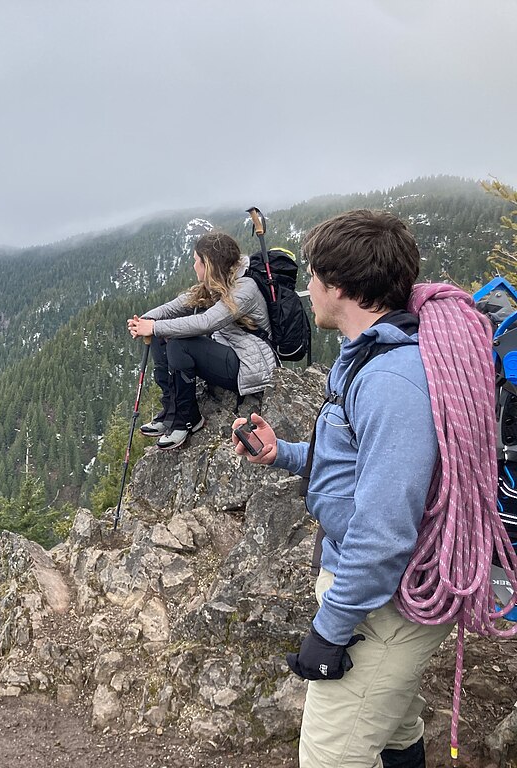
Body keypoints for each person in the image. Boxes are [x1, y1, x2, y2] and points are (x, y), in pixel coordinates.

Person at [231, 209, 450, 768]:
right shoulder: (372, 356)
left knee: (329, 758)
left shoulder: (390, 380)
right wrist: (283, 453)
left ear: (341, 288)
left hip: (384, 607)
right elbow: (364, 467)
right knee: (395, 728)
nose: (307, 289)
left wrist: (330, 630)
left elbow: (383, 533)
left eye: (313, 277)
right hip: (384, 596)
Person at [127, 231, 276, 450]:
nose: (193, 265)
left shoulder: (245, 289)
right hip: (229, 353)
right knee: (161, 333)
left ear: (209, 264)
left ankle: (187, 420)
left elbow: (207, 322)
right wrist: (145, 321)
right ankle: (171, 411)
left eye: (196, 260)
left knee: (178, 341)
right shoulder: (219, 282)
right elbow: (177, 306)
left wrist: (155, 327)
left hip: (248, 366)